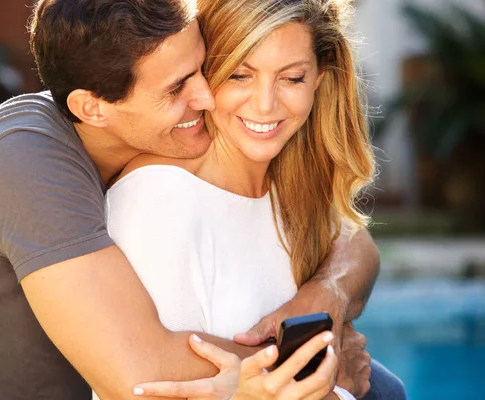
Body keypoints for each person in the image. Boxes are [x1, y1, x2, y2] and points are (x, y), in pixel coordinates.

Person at [0, 0, 403, 399]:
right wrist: (321, 360)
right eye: (178, 87)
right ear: (94, 108)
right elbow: (138, 374)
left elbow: (349, 238)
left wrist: (327, 295)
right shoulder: (25, 162)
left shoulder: (175, 146)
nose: (206, 96)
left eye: (203, 68)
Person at [102, 0, 403, 399]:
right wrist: (333, 390)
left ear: (320, 79)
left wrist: (326, 292)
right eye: (240, 75)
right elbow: (152, 390)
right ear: (205, 76)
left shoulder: (288, 182)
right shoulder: (158, 199)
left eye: (292, 78)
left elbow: (356, 242)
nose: (265, 104)